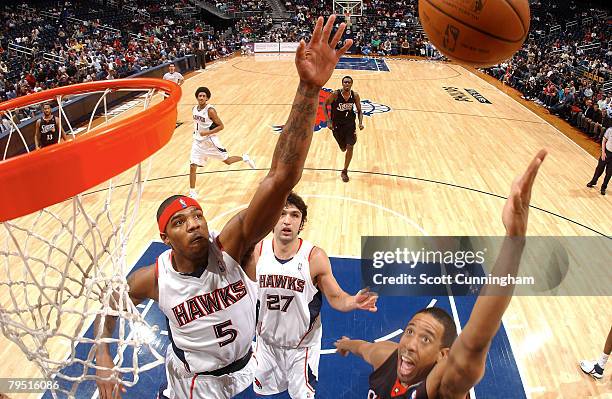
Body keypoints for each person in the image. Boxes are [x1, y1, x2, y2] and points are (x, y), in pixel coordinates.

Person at [94, 15, 353, 399]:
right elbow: (111, 305)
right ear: (164, 238)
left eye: (197, 215)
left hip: (249, 369)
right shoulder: (154, 279)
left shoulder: (231, 245)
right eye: (181, 222)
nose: (195, 223)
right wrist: (103, 357)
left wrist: (308, 88)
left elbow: (281, 177)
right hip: (194, 384)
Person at [334, 150, 548, 399]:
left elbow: (475, 340)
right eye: (410, 331)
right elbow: (365, 349)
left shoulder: (443, 389)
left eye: (426, 340)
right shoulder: (386, 358)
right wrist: (347, 344)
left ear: (443, 355)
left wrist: (514, 241)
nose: (411, 344)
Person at [251, 192, 378, 398]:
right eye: (282, 214)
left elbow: (336, 297)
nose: (287, 220)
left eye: (294, 215)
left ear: (301, 223)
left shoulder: (314, 257)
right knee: (263, 395)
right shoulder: (257, 251)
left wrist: (354, 301)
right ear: (272, 218)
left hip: (302, 350)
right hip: (266, 345)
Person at [189, 86, 256, 199]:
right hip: (197, 142)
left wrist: (206, 133)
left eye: (204, 96)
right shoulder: (194, 109)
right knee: (192, 165)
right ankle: (192, 191)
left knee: (228, 161)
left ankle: (244, 157)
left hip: (210, 142)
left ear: (207, 98)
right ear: (197, 97)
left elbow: (221, 126)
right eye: (200, 95)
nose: (201, 97)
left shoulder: (210, 110)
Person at [324, 76, 364, 182]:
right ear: (342, 83)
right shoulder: (335, 94)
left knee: (350, 146)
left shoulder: (355, 95)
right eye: (345, 82)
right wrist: (328, 120)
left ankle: (345, 171)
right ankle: (343, 146)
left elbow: (360, 110)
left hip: (350, 124)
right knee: (343, 148)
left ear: (351, 84)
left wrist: (360, 123)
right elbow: (324, 104)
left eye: (349, 82)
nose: (347, 84)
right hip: (337, 125)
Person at [586, 126, 611, 195]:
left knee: (609, 173)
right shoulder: (610, 130)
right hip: (606, 153)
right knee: (599, 169)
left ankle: (603, 187)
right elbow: (604, 141)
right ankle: (593, 181)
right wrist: (603, 152)